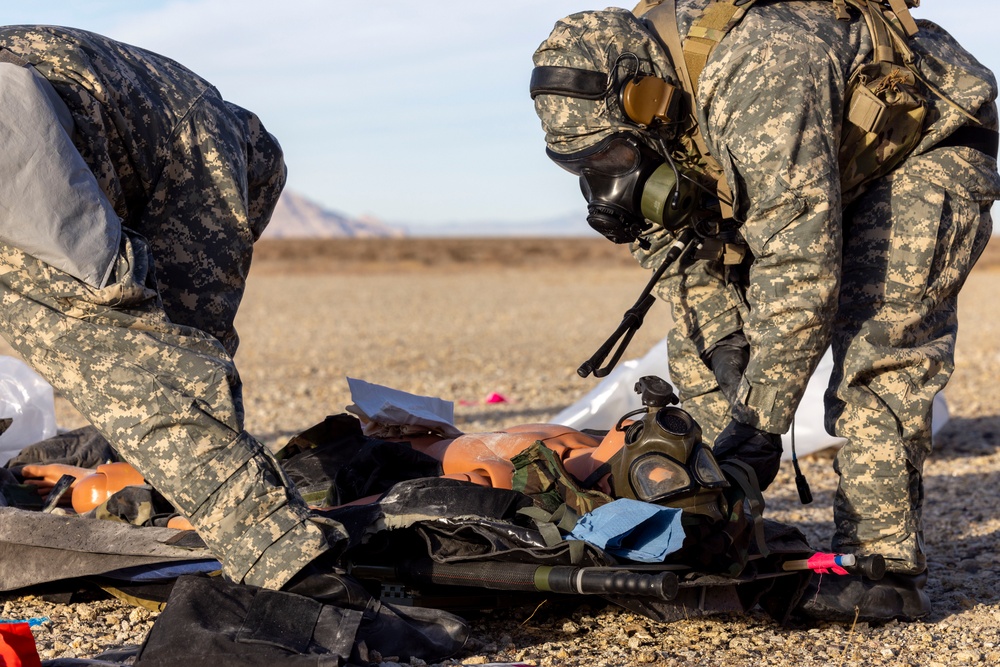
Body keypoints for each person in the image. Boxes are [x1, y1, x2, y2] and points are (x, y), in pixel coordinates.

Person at [530, 0, 1000, 621]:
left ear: (649, 99)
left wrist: (761, 420)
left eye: (615, 160)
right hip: (819, 156)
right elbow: (681, 259)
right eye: (583, 167)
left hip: (921, 151)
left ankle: (881, 569)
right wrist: (727, 347)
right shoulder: (659, 117)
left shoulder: (761, 69)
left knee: (877, 344)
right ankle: (717, 536)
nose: (605, 186)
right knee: (698, 349)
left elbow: (801, 263)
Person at [0, 26, 344, 590]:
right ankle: (197, 495)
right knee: (164, 365)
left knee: (130, 355)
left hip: (184, 152)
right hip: (159, 123)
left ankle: (285, 559)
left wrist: (279, 556)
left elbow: (116, 326)